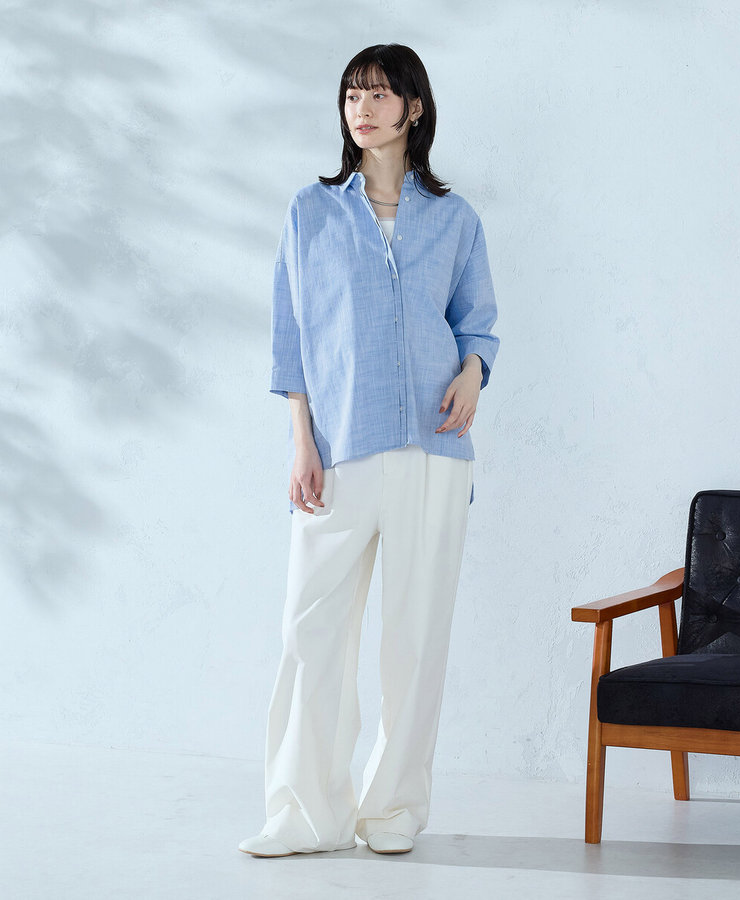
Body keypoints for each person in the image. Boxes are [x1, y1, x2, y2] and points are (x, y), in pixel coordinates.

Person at [239, 43, 499, 858]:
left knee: (416, 642)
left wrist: (473, 372)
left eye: (381, 94)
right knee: (310, 634)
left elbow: (477, 323)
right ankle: (303, 815)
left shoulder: (455, 220)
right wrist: (301, 443)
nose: (363, 108)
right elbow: (291, 338)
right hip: (339, 450)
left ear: (414, 108)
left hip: (434, 448)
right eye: (353, 94)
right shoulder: (311, 212)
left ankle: (392, 813)